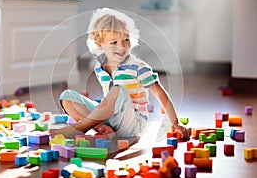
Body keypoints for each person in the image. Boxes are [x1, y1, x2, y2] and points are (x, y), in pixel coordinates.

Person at [48, 8, 190, 140]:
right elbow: (107, 104)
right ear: (100, 44)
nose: (121, 46)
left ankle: (79, 128)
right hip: (110, 120)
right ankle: (102, 128)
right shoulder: (99, 68)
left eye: (126, 40)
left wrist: (175, 123)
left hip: (133, 123)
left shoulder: (138, 67)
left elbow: (160, 93)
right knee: (67, 97)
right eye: (114, 42)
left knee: (118, 90)